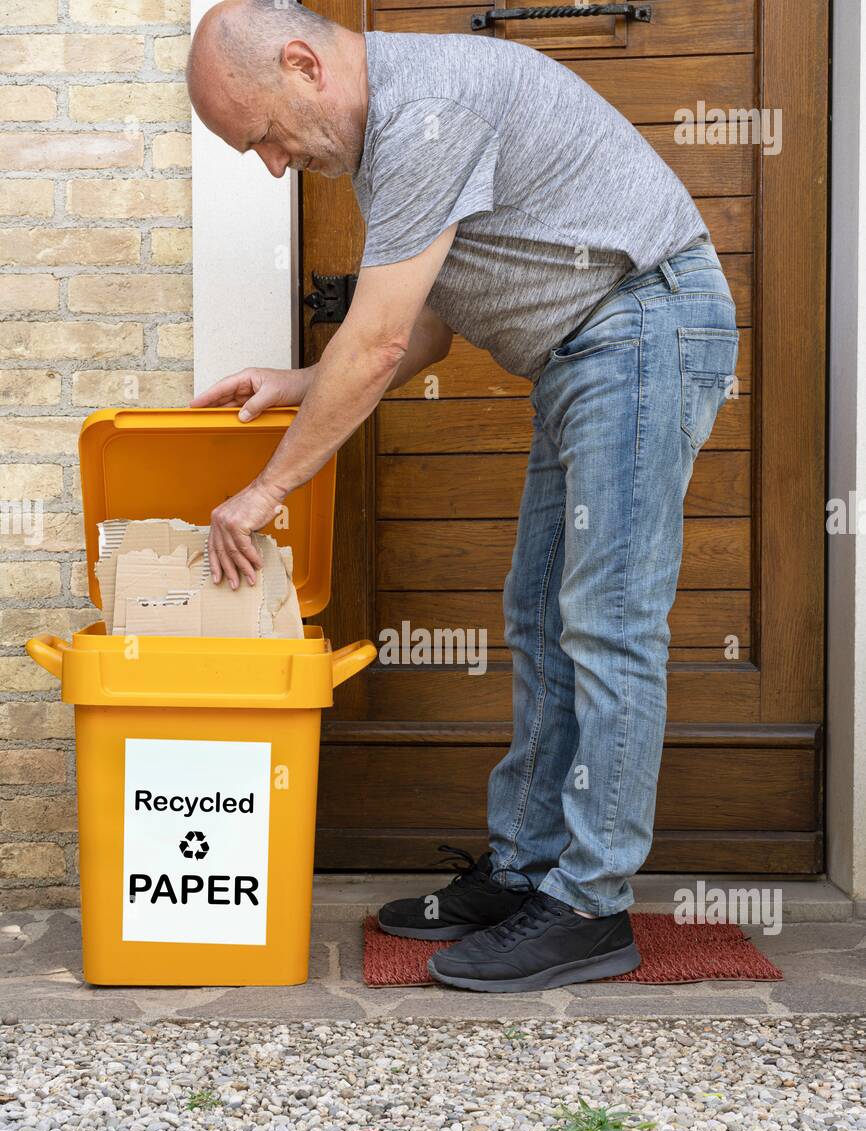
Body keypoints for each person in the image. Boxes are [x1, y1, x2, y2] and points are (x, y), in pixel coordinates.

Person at [187, 0, 738, 993]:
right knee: (538, 613)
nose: (271, 165)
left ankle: (588, 904)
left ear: (304, 65)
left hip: (640, 327)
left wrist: (268, 487)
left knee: (607, 623)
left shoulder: (428, 108)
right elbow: (427, 330)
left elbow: (385, 340)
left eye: (263, 136)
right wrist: (295, 381)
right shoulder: (389, 140)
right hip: (586, 353)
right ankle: (528, 871)